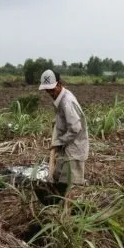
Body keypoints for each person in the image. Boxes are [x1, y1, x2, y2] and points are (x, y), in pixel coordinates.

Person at [38, 69, 89, 198]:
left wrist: (59, 142)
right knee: (59, 178)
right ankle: (59, 206)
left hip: (74, 150)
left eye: (52, 89)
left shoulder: (67, 102)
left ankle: (71, 212)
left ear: (59, 84)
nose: (50, 93)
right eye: (47, 90)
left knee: (71, 186)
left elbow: (75, 128)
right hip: (67, 148)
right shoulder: (61, 98)